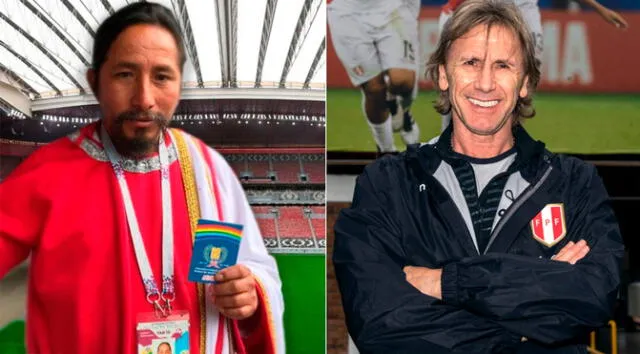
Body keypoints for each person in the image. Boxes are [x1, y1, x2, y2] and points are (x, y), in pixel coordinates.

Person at [333, 0, 624, 353]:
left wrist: (446, 283)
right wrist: (529, 317)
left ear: (525, 83)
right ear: (443, 74)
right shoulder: (386, 184)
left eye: (503, 65)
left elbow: (594, 297)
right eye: (471, 62)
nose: (485, 83)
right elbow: (378, 324)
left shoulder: (574, 183)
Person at [0, 3, 284, 353]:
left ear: (181, 83)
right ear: (94, 81)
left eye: (162, 76)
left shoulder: (209, 170)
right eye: (124, 75)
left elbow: (255, 267)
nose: (144, 99)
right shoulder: (48, 172)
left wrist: (249, 293)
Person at [437, 0, 629, 132]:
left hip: (527, 17)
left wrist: (599, 9)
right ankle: (449, 134)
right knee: (470, 81)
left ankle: (510, 141)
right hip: (491, 12)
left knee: (523, 85)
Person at [328, 0, 421, 155]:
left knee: (402, 81)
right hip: (347, 12)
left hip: (391, 7)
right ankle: (386, 151)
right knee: (374, 89)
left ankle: (398, 107)